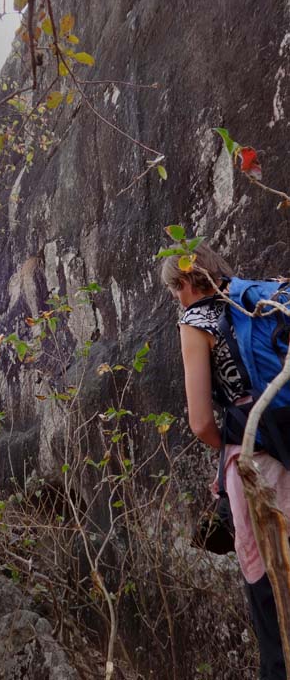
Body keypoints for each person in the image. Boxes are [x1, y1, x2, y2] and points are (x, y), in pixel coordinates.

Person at [161, 242, 290, 680]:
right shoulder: (260, 298)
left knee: (270, 590)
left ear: (184, 282)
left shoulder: (195, 321)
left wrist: (226, 448)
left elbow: (199, 421)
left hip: (256, 452)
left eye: (174, 289)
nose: (176, 299)